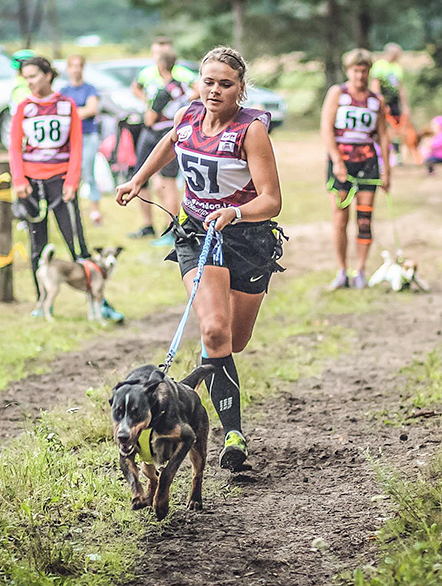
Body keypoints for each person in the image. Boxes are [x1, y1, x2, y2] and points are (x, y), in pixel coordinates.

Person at [116, 46, 284, 471]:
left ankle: (217, 387)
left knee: (234, 341)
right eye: (208, 82)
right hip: (196, 233)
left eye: (225, 84)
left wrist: (236, 212)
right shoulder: (188, 115)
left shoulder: (251, 131)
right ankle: (233, 436)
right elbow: (171, 143)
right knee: (213, 332)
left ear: (240, 89)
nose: (215, 91)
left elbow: (272, 200)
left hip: (248, 239)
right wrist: (138, 179)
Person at [9, 57, 88, 296]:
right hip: (32, 184)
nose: (29, 82)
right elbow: (14, 147)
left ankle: (95, 294)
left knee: (75, 240)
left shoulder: (67, 105)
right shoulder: (24, 107)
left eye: (33, 76)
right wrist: (20, 180)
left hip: (61, 181)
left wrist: (72, 181)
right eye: (26, 78)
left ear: (47, 75)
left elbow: (76, 146)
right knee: (37, 244)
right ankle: (40, 298)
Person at [320, 48, 390, 290]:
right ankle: (342, 271)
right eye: (355, 70)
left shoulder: (375, 100)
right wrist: (337, 161)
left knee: (364, 219)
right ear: (348, 70)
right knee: (340, 218)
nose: (360, 75)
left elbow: (383, 136)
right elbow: (326, 128)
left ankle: (360, 270)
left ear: (369, 72)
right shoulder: (337, 93)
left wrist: (387, 170)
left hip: (368, 163)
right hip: (342, 162)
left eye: (364, 70)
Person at [128, 36, 198, 240]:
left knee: (164, 182)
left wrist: (155, 108)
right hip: (168, 128)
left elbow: (150, 119)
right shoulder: (176, 85)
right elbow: (137, 87)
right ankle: (154, 226)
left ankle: (173, 228)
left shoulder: (167, 89)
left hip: (163, 131)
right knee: (154, 180)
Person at [60, 55, 103, 226]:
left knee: (88, 172)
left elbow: (92, 109)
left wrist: (73, 113)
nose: (76, 69)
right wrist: (80, 111)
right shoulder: (64, 91)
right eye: (73, 66)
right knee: (72, 174)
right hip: (71, 138)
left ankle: (95, 211)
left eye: (79, 66)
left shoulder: (90, 89)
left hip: (88, 135)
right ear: (68, 68)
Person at [370, 43, 419, 165]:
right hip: (383, 101)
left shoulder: (397, 68)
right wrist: (380, 103)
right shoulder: (379, 66)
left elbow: (401, 88)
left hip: (394, 103)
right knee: (382, 128)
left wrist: (405, 105)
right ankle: (380, 154)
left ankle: (397, 156)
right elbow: (375, 85)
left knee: (396, 129)